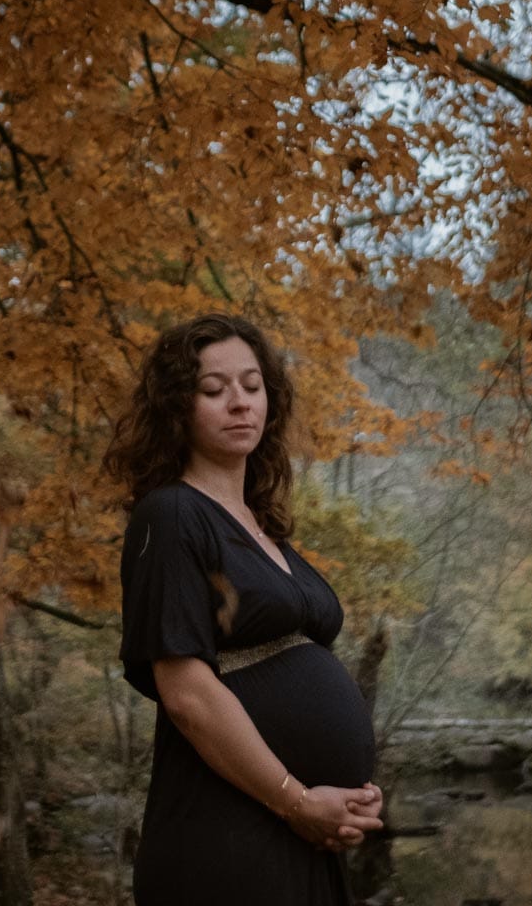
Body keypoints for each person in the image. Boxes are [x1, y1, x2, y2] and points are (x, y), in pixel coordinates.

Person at [108, 313, 384, 906]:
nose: (239, 403)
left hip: (295, 833)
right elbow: (186, 693)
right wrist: (296, 798)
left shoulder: (265, 530)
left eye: (252, 386)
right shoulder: (172, 515)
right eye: (214, 389)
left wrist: (349, 795)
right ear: (177, 407)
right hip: (227, 833)